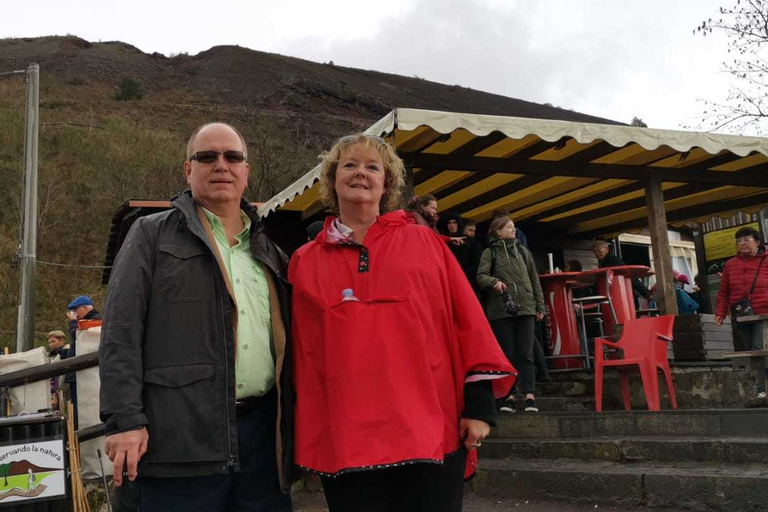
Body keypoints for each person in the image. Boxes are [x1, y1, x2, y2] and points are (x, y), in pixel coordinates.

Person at [289, 134, 515, 512]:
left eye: (372, 167)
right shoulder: (303, 261)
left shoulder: (425, 243)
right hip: (344, 434)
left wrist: (478, 408)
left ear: (387, 183)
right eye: (349, 165)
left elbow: (468, 323)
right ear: (332, 179)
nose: (360, 173)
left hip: (429, 428)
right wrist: (306, 434)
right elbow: (299, 352)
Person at [99, 122, 293, 511]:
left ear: (246, 171)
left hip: (263, 440)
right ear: (188, 170)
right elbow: (121, 331)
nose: (221, 164)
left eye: (232, 156)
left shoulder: (269, 250)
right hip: (180, 439)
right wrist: (125, 421)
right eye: (207, 156)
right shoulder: (151, 236)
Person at [477, 217, 545, 413]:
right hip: (501, 309)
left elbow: (535, 280)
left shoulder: (524, 252)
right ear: (498, 231)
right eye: (509, 227)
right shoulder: (489, 253)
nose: (513, 230)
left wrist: (540, 306)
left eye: (513, 227)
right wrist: (493, 282)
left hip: (526, 307)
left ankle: (530, 395)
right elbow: (481, 276)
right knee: (508, 353)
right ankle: (510, 395)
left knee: (526, 352)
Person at [715, 226, 768, 405]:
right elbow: (724, 292)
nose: (742, 243)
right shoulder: (731, 264)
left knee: (758, 350)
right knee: (752, 354)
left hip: (764, 314)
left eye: (746, 239)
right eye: (739, 240)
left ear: (757, 242)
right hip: (741, 314)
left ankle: (762, 391)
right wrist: (720, 312)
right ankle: (762, 389)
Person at [63, 295, 101, 428]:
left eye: (75, 311)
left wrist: (73, 322)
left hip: (84, 374)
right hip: (78, 373)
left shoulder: (94, 320)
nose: (74, 315)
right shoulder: (88, 320)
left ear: (84, 307)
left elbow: (81, 339)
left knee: (80, 411)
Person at [592, 240, 651, 307]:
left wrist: (646, 294)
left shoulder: (613, 261)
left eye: (600, 251)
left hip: (624, 297)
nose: (597, 254)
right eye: (595, 252)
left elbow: (630, 276)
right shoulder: (603, 263)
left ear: (607, 249)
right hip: (617, 297)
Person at [47, 330, 69, 409]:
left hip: (64, 386)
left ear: (62, 341)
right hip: (53, 387)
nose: (51, 344)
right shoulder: (50, 355)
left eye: (53, 341)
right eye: (49, 342)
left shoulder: (66, 351)